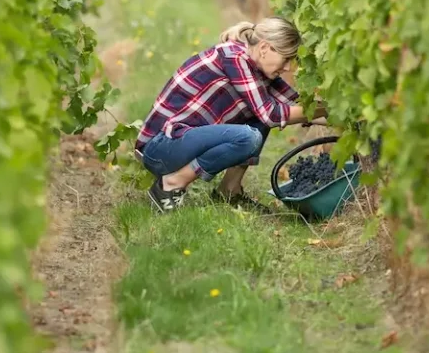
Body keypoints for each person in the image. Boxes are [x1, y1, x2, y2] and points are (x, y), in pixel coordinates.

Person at [134, 16, 327, 212]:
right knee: (248, 136)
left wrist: (340, 117)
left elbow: (299, 106)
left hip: (181, 141)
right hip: (159, 148)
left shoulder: (257, 67)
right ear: (264, 48)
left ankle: (229, 191)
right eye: (286, 58)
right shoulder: (234, 58)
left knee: (258, 118)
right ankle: (172, 184)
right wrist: (324, 110)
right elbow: (273, 114)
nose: (287, 67)